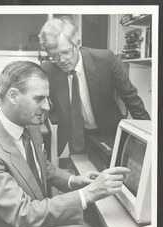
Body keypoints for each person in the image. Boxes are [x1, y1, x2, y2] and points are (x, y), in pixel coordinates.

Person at [0, 61, 130, 227]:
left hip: (37, 219)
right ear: (13, 96)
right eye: (39, 98)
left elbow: (43, 167)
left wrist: (75, 181)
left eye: (47, 98)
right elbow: (22, 213)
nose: (47, 106)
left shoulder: (30, 126)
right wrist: (89, 193)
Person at [39, 16, 150, 156]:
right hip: (77, 138)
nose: (62, 61)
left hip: (109, 132)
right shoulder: (47, 70)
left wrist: (151, 137)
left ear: (77, 43)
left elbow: (131, 98)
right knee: (81, 171)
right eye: (54, 56)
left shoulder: (105, 60)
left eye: (66, 52)